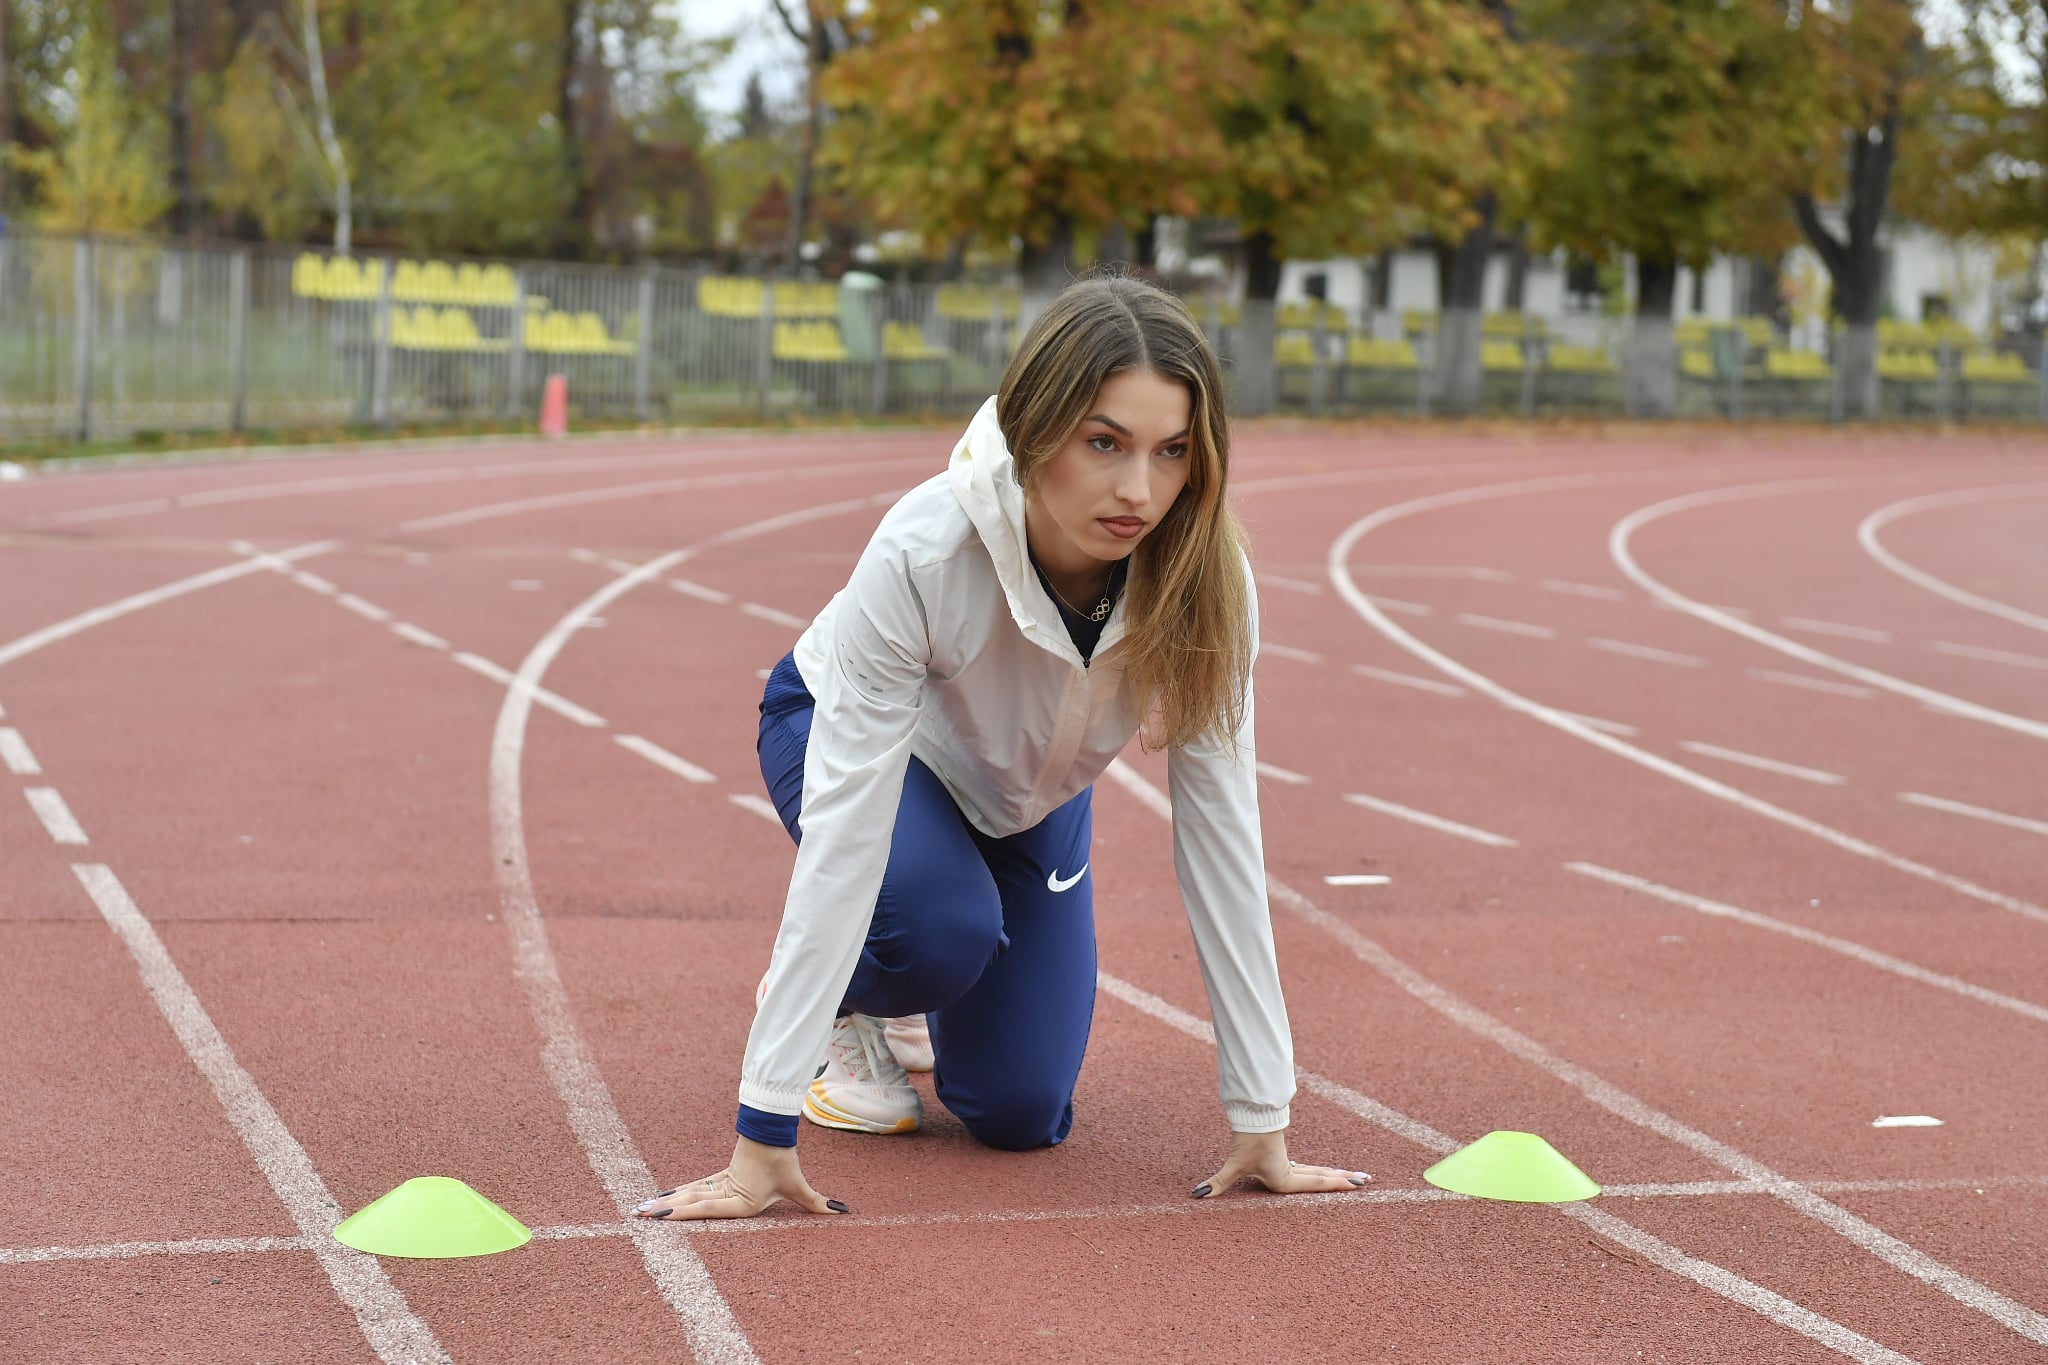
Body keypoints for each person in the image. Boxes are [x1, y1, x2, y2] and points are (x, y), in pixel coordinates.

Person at [634, 273, 1365, 1222]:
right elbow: (849, 830)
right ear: (1035, 428)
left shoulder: (1206, 581)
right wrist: (761, 1134)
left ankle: (910, 967)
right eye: (1103, 442)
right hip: (862, 739)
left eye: (1173, 451)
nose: (1139, 489)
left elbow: (1221, 834)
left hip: (1027, 795)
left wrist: (1261, 1118)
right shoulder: (924, 550)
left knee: (1021, 1112)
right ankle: (849, 1001)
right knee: (935, 930)